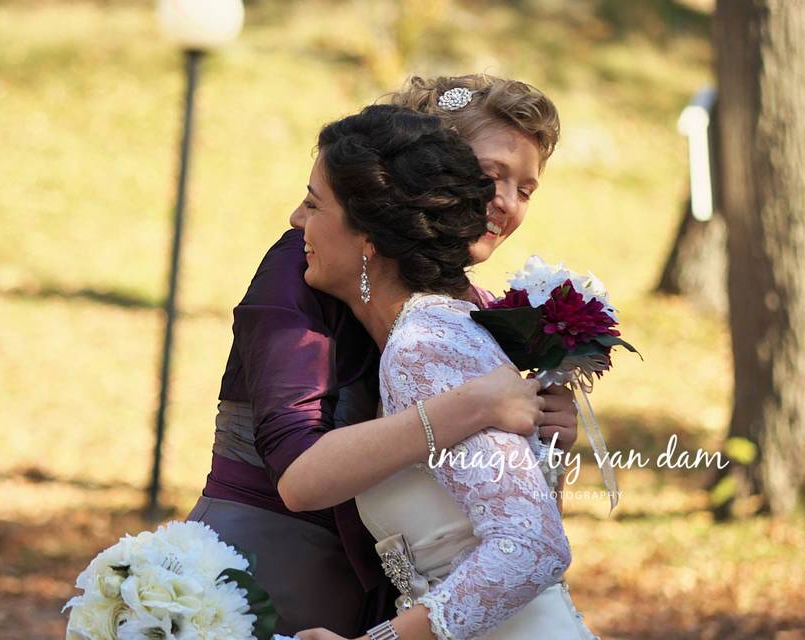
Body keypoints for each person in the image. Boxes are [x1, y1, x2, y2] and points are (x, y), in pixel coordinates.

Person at [187, 74, 577, 637]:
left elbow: (522, 535)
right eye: (490, 176)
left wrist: (549, 447)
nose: (505, 204)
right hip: (274, 565)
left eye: (526, 189)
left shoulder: (464, 319)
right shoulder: (305, 263)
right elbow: (298, 468)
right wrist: (477, 404)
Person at [294, 104, 594, 640]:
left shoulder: (425, 346)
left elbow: (533, 547)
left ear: (370, 239)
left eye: (315, 205)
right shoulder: (446, 332)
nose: (297, 220)